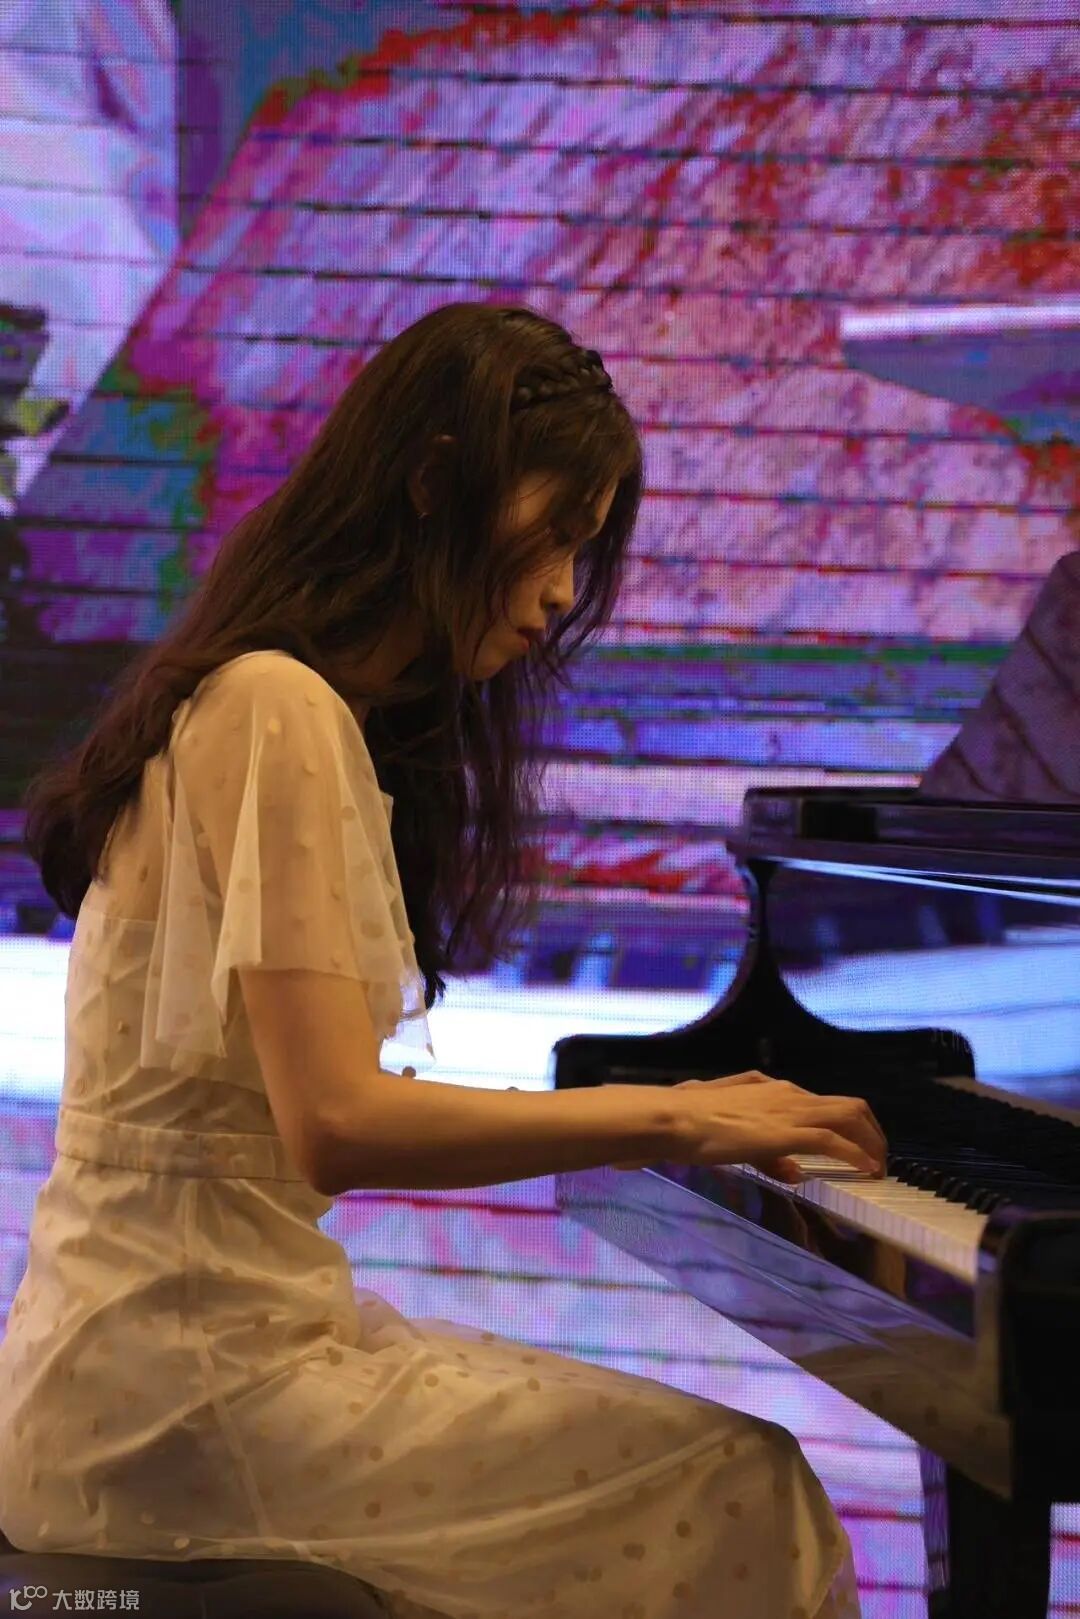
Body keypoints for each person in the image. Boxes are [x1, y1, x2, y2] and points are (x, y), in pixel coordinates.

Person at [1, 304, 882, 1619]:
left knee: (716, 1474)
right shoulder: (277, 707)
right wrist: (682, 1116)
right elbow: (339, 1125)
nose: (564, 594)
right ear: (433, 482)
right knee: (743, 1486)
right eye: (558, 534)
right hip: (180, 1393)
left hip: (164, 1364)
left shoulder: (276, 704)